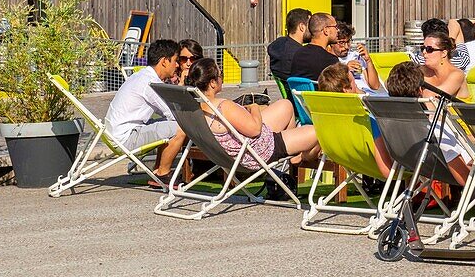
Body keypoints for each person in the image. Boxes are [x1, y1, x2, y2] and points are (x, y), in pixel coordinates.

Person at [185, 57, 318, 170]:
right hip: (259, 151)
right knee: (317, 131)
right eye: (221, 75)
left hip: (239, 150)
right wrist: (254, 108)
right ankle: (297, 157)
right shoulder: (223, 106)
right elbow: (255, 130)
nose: (222, 79)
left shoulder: (194, 109)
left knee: (286, 105)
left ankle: (292, 154)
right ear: (213, 83)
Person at [104, 39, 186, 177]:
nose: (177, 65)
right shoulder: (151, 83)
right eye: (175, 60)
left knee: (167, 125)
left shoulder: (141, 76)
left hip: (117, 134)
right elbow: (172, 113)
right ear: (164, 61)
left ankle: (158, 170)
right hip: (125, 139)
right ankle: (163, 173)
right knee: (180, 129)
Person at [288, 13, 340, 81]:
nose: (338, 30)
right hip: (320, 91)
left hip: (300, 91)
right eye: (335, 27)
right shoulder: (330, 60)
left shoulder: (298, 53)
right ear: (326, 30)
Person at [419, 32, 470, 100]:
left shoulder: (457, 75)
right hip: (433, 110)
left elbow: (435, 97)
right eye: (423, 48)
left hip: (457, 110)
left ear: (443, 53)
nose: (424, 52)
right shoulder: (423, 71)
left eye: (429, 49)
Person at [268, 7, 310, 83]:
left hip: (290, 91)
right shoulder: (299, 55)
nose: (312, 29)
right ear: (302, 27)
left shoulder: (278, 46)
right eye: (310, 25)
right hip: (302, 92)